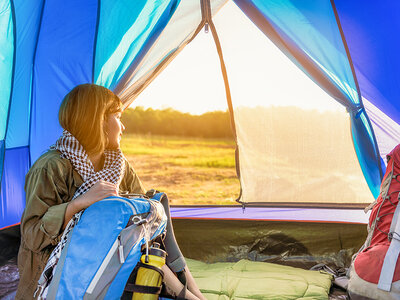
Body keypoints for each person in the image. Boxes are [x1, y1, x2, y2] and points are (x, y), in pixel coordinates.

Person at [16, 84, 205, 300]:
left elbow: (145, 225)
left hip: (109, 261)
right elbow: (32, 235)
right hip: (59, 277)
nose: (123, 126)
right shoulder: (51, 167)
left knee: (153, 220)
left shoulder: (118, 165)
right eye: (117, 116)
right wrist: (78, 204)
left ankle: (194, 294)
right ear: (98, 121)